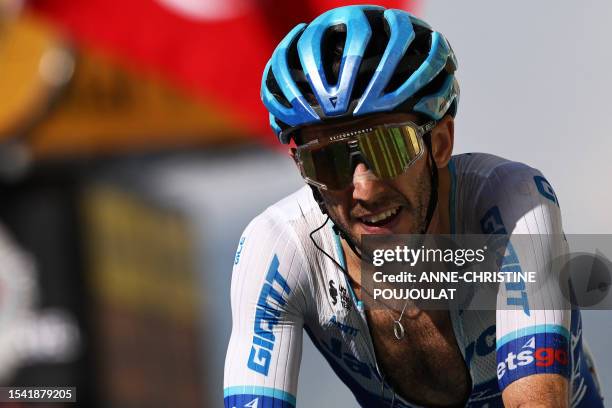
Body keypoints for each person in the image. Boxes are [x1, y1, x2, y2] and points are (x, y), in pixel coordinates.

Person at [223, 5, 604, 407]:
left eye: (388, 149)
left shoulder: (513, 203)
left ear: (439, 143)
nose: (365, 190)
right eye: (329, 161)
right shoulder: (278, 249)